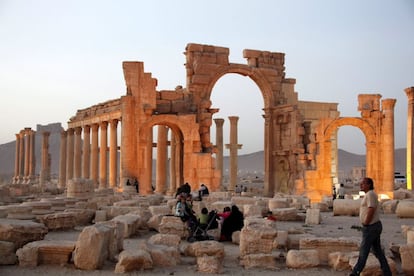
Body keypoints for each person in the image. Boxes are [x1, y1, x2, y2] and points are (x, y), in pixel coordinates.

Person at [350, 177, 391, 276]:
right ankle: (387, 273)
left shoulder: (370, 194)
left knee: (363, 253)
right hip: (373, 226)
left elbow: (371, 209)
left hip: (371, 227)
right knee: (378, 252)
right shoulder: (369, 195)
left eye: (363, 183)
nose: (361, 185)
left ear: (369, 185)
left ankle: (355, 273)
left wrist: (366, 222)